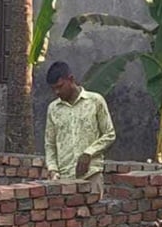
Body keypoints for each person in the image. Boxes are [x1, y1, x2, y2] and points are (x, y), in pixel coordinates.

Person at [44, 61, 116, 200]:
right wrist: (52, 170)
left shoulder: (95, 101)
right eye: (53, 89)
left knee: (95, 219)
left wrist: (88, 153)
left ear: (71, 79)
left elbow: (109, 134)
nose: (57, 92)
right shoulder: (53, 109)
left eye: (60, 87)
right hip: (64, 179)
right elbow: (50, 144)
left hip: (91, 175)